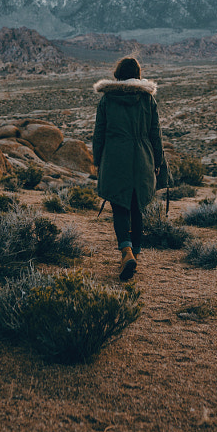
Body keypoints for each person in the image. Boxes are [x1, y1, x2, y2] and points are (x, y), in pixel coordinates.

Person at [92, 56, 165, 281]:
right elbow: (156, 133)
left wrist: (97, 160)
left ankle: (126, 251)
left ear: (118, 74)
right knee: (137, 205)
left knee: (120, 205)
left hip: (115, 157)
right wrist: (159, 160)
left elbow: (99, 133)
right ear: (138, 74)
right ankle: (135, 253)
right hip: (142, 156)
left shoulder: (107, 99)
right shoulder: (147, 99)